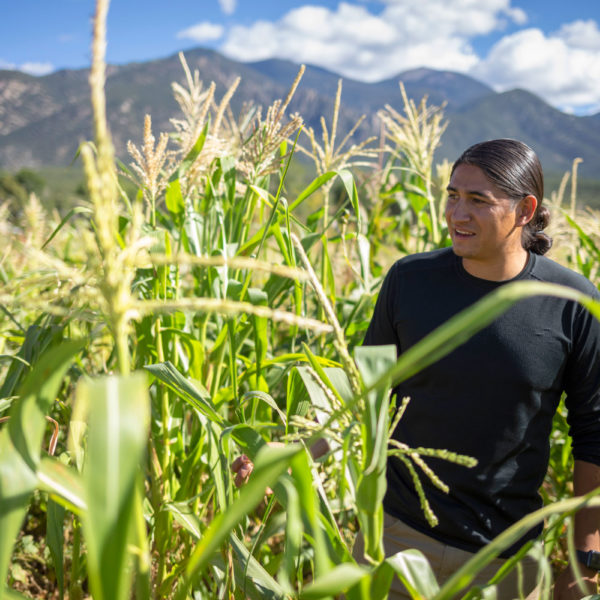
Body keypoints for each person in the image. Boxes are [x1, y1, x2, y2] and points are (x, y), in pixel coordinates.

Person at [363, 139, 600, 599]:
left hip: (506, 564)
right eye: (452, 196)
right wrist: (286, 458)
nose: (456, 214)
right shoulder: (409, 282)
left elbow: (594, 432)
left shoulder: (572, 303)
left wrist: (584, 555)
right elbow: (365, 396)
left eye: (478, 201)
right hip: (398, 544)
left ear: (525, 210)